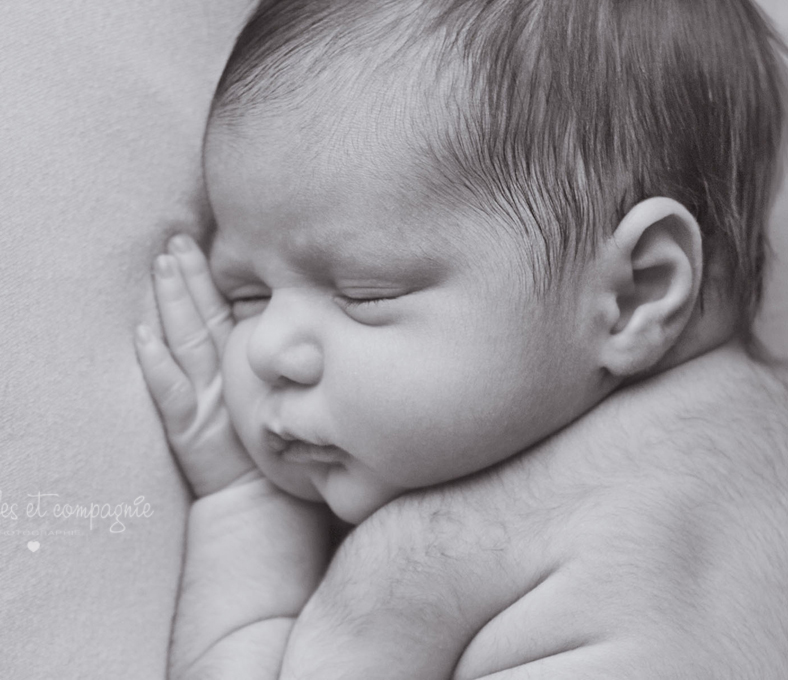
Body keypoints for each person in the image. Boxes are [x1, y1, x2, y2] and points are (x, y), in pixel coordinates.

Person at [136, 0, 788, 677]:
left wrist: (244, 509)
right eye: (247, 298)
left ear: (633, 293)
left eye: (365, 295)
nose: (266, 350)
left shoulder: (417, 577)